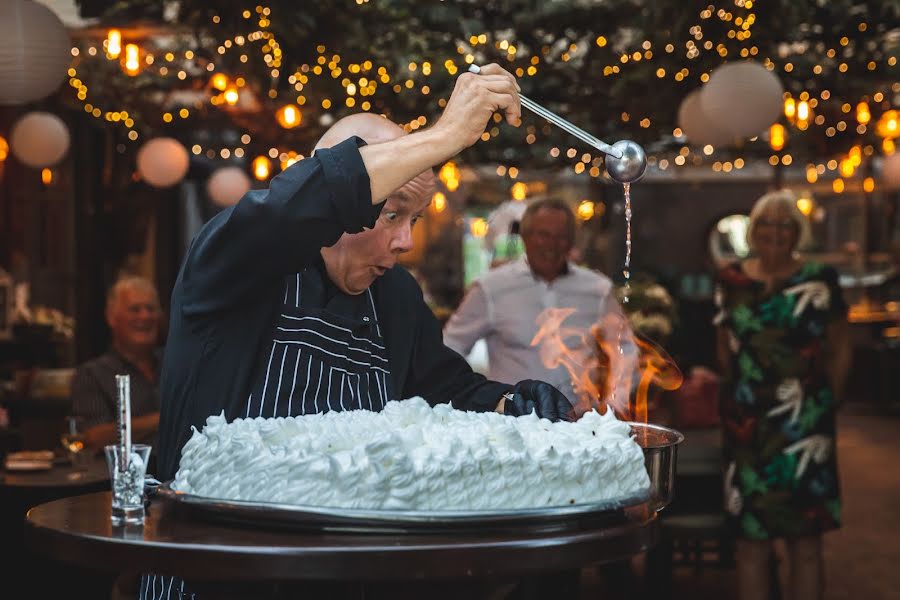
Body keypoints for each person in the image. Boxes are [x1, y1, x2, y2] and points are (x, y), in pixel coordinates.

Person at [147, 63, 574, 599]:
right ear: (341, 204)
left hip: (347, 576)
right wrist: (445, 136)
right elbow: (286, 210)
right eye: (393, 214)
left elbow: (446, 391)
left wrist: (513, 403)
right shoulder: (241, 263)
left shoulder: (394, 297)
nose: (406, 243)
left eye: (414, 220)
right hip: (216, 574)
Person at [714, 189, 851, 600]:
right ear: (753, 231)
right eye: (766, 223)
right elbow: (723, 348)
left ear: (798, 232)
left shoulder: (819, 279)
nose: (775, 231)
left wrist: (827, 401)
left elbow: (841, 347)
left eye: (785, 224)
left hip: (804, 423)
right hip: (747, 424)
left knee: (805, 542)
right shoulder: (731, 278)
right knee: (750, 541)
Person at [443, 197, 637, 414]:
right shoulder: (490, 287)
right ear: (524, 237)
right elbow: (450, 348)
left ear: (572, 242)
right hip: (512, 422)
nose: (551, 244)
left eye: (561, 236)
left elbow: (625, 348)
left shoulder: (597, 289)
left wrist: (614, 402)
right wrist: (479, 399)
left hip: (580, 423)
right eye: (543, 235)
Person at [70, 276, 162, 451]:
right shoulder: (92, 374)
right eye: (135, 309)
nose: (145, 316)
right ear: (112, 317)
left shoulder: (176, 367)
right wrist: (162, 420)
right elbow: (94, 437)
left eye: (151, 309)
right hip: (117, 476)